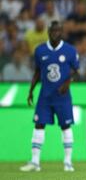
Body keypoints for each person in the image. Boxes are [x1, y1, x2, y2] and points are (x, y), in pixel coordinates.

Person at [20, 21, 79, 172]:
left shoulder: (70, 50)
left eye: (58, 30)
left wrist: (68, 81)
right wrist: (31, 90)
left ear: (62, 32)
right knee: (39, 125)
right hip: (45, 96)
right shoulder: (40, 50)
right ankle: (35, 162)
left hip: (62, 97)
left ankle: (67, 162)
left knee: (65, 126)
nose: (55, 33)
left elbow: (76, 70)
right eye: (53, 30)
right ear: (48, 31)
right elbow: (37, 72)